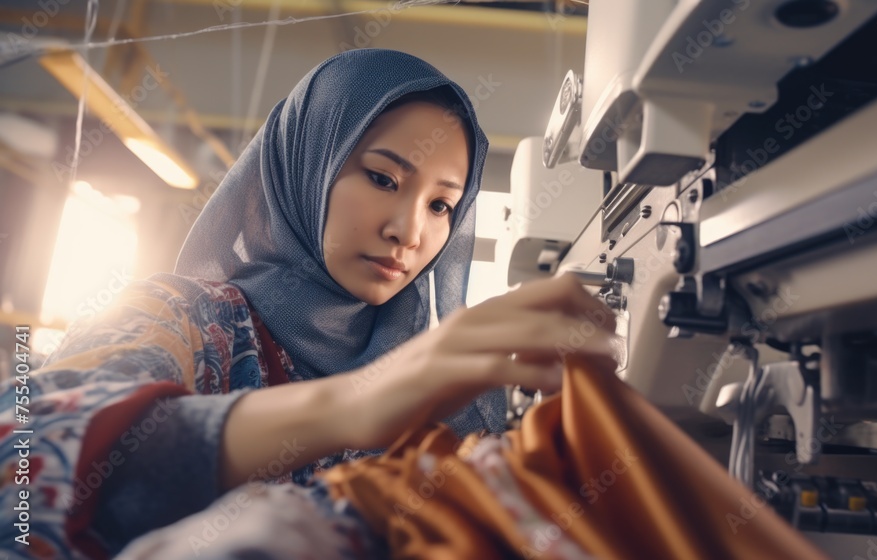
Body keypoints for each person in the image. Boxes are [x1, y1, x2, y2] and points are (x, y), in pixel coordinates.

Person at [0, 49, 618, 558]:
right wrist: (350, 402)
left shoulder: (452, 402)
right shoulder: (183, 320)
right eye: (383, 178)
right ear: (306, 162)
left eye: (440, 206)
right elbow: (21, 459)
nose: (409, 230)